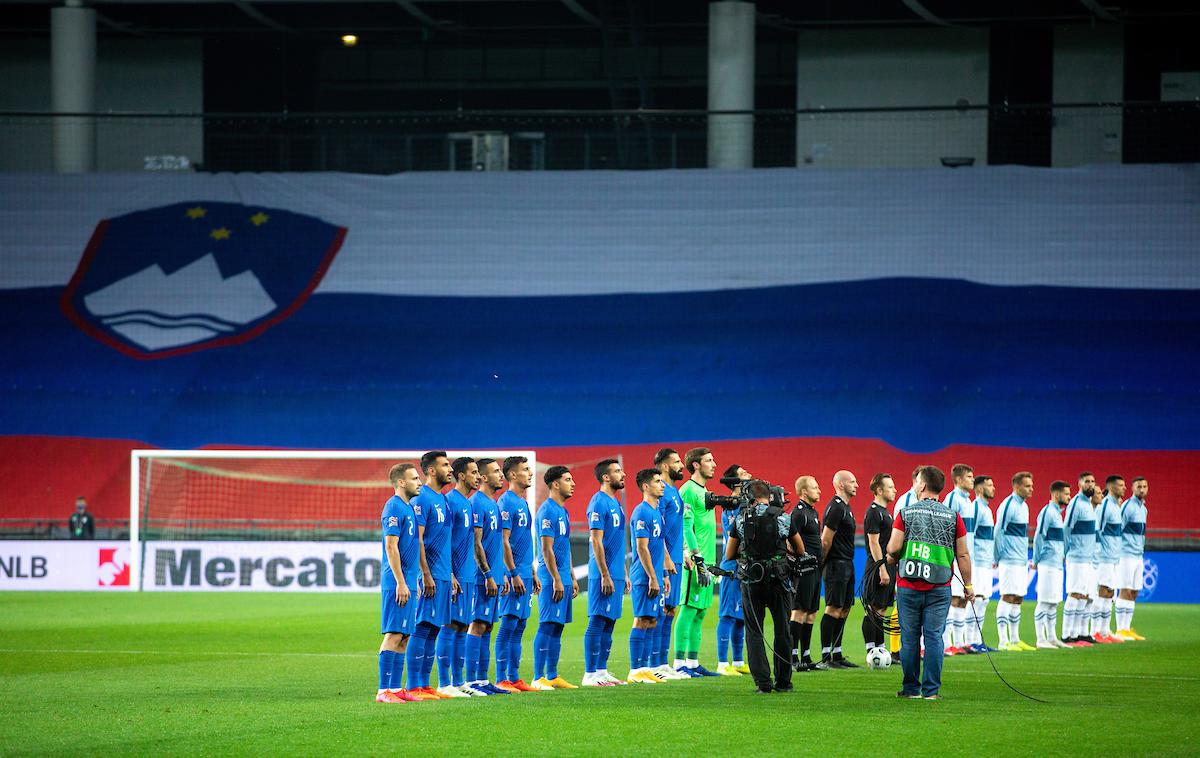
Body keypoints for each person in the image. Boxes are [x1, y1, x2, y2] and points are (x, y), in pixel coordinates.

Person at [885, 465, 974, 700]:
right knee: (934, 637)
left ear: (922, 485)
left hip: (909, 586)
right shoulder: (954, 517)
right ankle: (931, 692)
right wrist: (968, 585)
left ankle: (911, 689)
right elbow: (963, 554)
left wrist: (890, 556)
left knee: (910, 638)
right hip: (940, 587)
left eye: (916, 483)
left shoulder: (906, 513)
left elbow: (893, 548)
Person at [725, 479, 807, 694]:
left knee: (754, 632)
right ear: (769, 496)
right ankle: (784, 682)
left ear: (749, 497)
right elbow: (800, 550)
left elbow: (729, 554)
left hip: (752, 582)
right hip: (779, 581)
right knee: (783, 630)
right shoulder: (783, 517)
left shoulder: (741, 519)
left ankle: (763, 683)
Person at [409, 451, 461, 699]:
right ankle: (414, 685)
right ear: (431, 470)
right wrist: (425, 574)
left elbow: (445, 541)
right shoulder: (421, 499)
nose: (449, 469)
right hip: (428, 575)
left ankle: (425, 685)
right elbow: (416, 540)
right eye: (444, 465)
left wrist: (449, 574)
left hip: (442, 574)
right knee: (422, 627)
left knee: (434, 629)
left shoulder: (444, 500)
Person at [376, 464, 425, 702]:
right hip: (397, 583)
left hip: (408, 582)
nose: (420, 482)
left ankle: (395, 689)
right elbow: (390, 546)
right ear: (401, 482)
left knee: (405, 635)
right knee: (394, 633)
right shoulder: (393, 507)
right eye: (415, 478)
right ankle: (383, 690)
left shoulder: (409, 509)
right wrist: (400, 582)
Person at [465, 458, 511, 695]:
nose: (500, 475)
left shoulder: (493, 504)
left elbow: (496, 544)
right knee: (477, 625)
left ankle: (483, 681)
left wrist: (500, 574)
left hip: (494, 576)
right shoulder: (476, 503)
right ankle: (471, 681)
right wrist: (488, 574)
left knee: (488, 626)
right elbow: (476, 543)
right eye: (495, 472)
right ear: (483, 477)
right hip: (480, 578)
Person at [532, 465, 580, 690]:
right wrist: (557, 578)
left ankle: (552, 675)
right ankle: (538, 676)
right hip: (551, 577)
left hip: (563, 576)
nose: (573, 483)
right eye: (568, 479)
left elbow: (564, 546)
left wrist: (570, 574)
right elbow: (546, 548)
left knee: (558, 626)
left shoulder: (563, 510)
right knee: (547, 625)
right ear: (554, 484)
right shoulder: (547, 510)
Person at [582, 459, 629, 687]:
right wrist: (605, 574)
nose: (623, 474)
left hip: (617, 572)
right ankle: (590, 674)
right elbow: (596, 541)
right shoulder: (598, 502)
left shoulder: (616, 503)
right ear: (606, 477)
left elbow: (618, 542)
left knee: (610, 622)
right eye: (618, 471)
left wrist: (624, 573)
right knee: (598, 620)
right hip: (604, 573)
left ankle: (601, 670)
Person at [495, 455, 540, 693]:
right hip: (513, 576)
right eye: (525, 469)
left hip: (524, 572)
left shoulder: (522, 503)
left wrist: (530, 570)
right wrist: (512, 573)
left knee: (520, 625)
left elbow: (521, 541)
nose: (530, 473)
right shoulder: (507, 503)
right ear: (512, 475)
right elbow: (503, 542)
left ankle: (514, 677)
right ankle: (502, 677)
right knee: (509, 623)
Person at [675, 447, 720, 676]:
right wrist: (694, 555)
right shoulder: (688, 491)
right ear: (696, 465)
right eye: (709, 460)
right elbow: (685, 526)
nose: (714, 464)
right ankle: (678, 664)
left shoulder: (706, 491)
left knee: (701, 611)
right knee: (689, 609)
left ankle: (693, 663)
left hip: (708, 559)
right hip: (695, 560)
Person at [627, 469, 673, 684]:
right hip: (643, 577)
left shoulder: (657, 513)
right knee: (641, 619)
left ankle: (645, 667)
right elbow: (642, 548)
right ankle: (635, 670)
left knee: (653, 620)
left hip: (654, 575)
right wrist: (653, 577)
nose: (662, 485)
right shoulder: (641, 512)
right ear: (646, 487)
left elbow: (658, 547)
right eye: (657, 482)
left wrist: (663, 574)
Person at [441, 457, 480, 695]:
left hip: (468, 575)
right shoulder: (450, 502)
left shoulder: (467, 504)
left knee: (462, 625)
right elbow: (444, 541)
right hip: (455, 575)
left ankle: (458, 682)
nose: (478, 476)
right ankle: (444, 683)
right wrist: (451, 573)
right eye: (474, 472)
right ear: (462, 476)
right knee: (450, 625)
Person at [653, 448, 690, 679]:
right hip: (664, 561)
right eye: (677, 462)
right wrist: (666, 557)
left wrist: (683, 552)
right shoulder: (661, 493)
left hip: (676, 559)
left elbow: (677, 528)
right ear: (665, 466)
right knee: (659, 612)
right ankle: (653, 665)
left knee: (670, 610)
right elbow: (658, 529)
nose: (681, 466)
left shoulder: (675, 493)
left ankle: (663, 664)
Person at [819, 470, 859, 668]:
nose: (856, 485)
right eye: (852, 482)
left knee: (844, 608)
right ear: (841, 485)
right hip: (836, 564)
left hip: (847, 564)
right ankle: (826, 656)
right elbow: (825, 539)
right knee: (833, 607)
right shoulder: (835, 508)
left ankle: (837, 654)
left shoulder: (846, 508)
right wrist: (821, 564)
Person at [1062, 472, 1106, 645]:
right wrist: (1065, 553)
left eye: (1093, 482)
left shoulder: (1088, 505)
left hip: (1087, 559)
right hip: (1077, 557)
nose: (1091, 484)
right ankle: (1067, 635)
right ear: (1079, 484)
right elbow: (1067, 528)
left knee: (1084, 595)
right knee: (1075, 594)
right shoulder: (1076, 503)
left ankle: (1079, 633)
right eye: (1087, 481)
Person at [716, 464, 752, 676]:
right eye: (743, 472)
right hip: (732, 566)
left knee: (742, 616)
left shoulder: (746, 502)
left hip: (745, 566)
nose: (749, 473)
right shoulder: (731, 505)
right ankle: (722, 664)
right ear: (736, 481)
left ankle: (738, 662)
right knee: (728, 615)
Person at [994, 471, 1036, 652]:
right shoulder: (1008, 504)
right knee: (1008, 596)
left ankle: (1015, 638)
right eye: (1027, 486)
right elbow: (998, 531)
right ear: (1017, 486)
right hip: (1009, 560)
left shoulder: (1024, 507)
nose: (1031, 489)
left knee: (1018, 598)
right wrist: (997, 556)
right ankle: (1003, 641)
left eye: (1031, 485)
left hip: (1020, 560)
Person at [941, 464, 977, 655]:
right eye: (969, 477)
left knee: (962, 600)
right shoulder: (953, 498)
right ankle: (947, 643)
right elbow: (945, 527)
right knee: (953, 599)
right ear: (958, 480)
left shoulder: (968, 502)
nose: (973, 480)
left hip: (965, 556)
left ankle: (960, 641)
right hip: (953, 557)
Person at [789, 475, 824, 671]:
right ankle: (793, 656)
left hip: (815, 568)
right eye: (815, 487)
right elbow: (789, 539)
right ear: (804, 492)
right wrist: (797, 559)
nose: (819, 491)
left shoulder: (812, 512)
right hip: (804, 569)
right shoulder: (799, 513)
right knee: (799, 610)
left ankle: (806, 655)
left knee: (811, 612)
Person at [1032, 481, 1071, 649]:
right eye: (1067, 494)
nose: (1069, 497)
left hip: (1056, 563)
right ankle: (1040, 639)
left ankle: (1052, 636)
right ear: (1056, 494)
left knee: (1054, 601)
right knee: (1044, 601)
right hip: (1047, 563)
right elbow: (1039, 536)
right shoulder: (1048, 512)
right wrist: (1036, 559)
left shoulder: (1058, 514)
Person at [863, 473, 897, 659]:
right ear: (879, 490)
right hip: (878, 566)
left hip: (887, 565)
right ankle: (871, 650)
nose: (894, 490)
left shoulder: (886, 512)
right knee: (873, 608)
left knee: (882, 609)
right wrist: (881, 568)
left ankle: (881, 649)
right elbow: (874, 543)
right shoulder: (874, 511)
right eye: (890, 487)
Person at [1094, 475, 1126, 641]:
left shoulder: (1116, 507)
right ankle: (1096, 630)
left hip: (1114, 558)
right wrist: (1099, 552)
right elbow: (1097, 529)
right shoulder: (1105, 505)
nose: (1124, 488)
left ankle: (1105, 631)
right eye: (1121, 485)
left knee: (1110, 593)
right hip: (1104, 557)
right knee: (1102, 591)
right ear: (1112, 487)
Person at [1116, 477, 1148, 640]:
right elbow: (1117, 529)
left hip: (1138, 555)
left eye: (1144, 486)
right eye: (1139, 487)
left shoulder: (1144, 509)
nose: (1142, 490)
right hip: (1126, 554)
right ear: (1132, 489)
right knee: (1125, 589)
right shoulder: (1127, 507)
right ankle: (1120, 629)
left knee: (1134, 591)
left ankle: (1127, 628)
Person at [969, 475, 997, 652]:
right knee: (976, 601)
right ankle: (969, 641)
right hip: (977, 562)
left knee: (983, 601)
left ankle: (977, 641)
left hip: (986, 562)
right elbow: (970, 535)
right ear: (979, 489)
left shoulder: (987, 509)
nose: (993, 488)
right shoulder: (976, 508)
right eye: (989, 485)